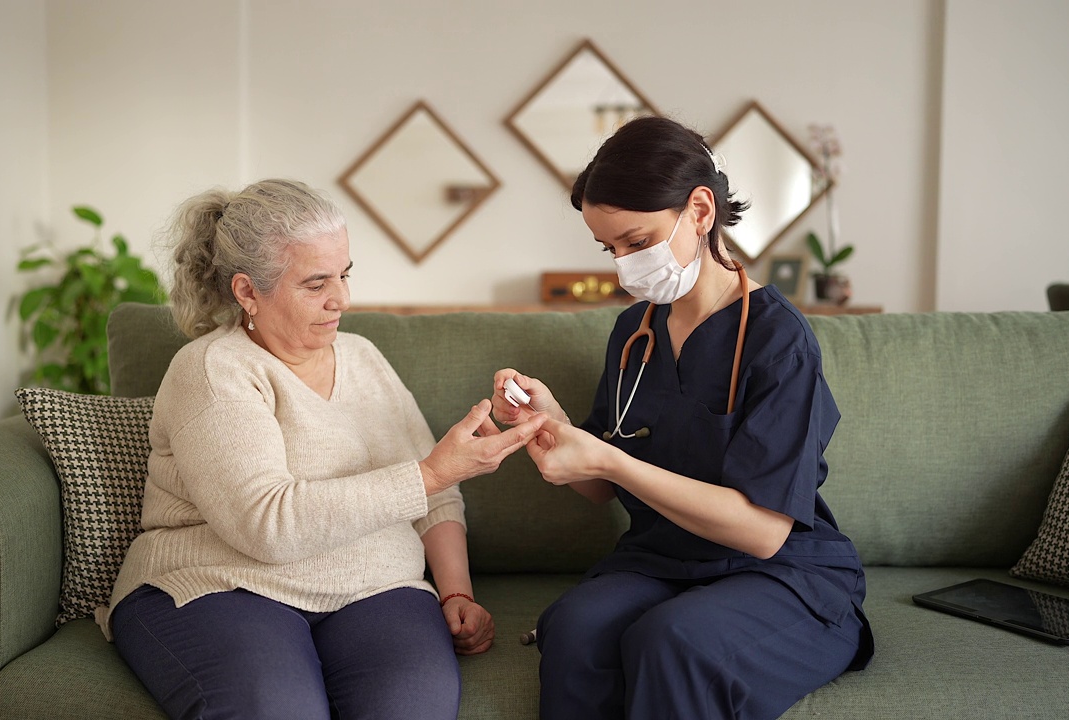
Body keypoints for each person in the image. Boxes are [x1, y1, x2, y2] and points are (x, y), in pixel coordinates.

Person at [103, 179, 547, 720]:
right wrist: (429, 474)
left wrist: (457, 594)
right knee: (277, 709)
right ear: (247, 292)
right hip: (222, 585)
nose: (342, 299)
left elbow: (437, 498)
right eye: (316, 283)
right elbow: (267, 523)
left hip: (375, 587)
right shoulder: (213, 370)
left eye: (345, 274)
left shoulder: (362, 357)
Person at [492, 116, 874, 720]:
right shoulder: (633, 333)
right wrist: (552, 427)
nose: (623, 266)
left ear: (700, 211)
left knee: (672, 641)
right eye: (609, 249)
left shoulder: (778, 339)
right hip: (659, 558)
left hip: (775, 570)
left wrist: (609, 459)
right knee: (573, 627)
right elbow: (598, 487)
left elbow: (762, 531)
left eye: (637, 242)